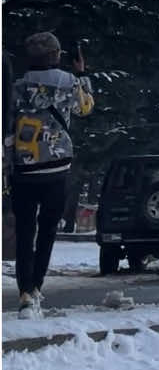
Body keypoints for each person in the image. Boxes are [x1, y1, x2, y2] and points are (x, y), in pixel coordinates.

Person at [5, 33, 93, 317]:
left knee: (25, 231)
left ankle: (24, 295)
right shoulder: (70, 83)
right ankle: (37, 289)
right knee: (47, 231)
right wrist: (83, 74)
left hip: (24, 170)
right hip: (57, 169)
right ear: (57, 54)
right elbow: (85, 108)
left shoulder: (16, 87)